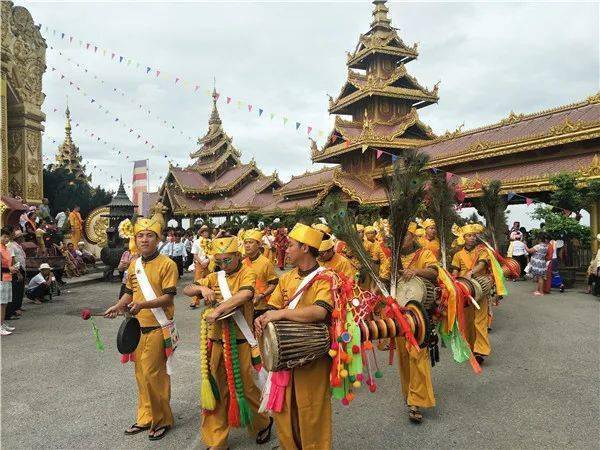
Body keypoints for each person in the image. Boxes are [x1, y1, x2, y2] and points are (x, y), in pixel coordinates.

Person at [182, 236, 272, 449]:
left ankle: (263, 422)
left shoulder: (247, 272)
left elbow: (246, 294)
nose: (223, 265)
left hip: (241, 341)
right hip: (216, 341)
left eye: (228, 260)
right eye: (219, 261)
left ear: (238, 256)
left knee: (247, 388)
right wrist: (202, 290)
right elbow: (187, 289)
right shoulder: (215, 276)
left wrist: (220, 309)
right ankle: (217, 439)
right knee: (216, 388)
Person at [255, 223, 334, 450]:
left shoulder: (326, 278)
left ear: (306, 248)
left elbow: (320, 312)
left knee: (311, 411)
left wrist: (279, 314)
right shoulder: (286, 278)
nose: (285, 249)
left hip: (313, 357)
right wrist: (262, 320)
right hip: (284, 356)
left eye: (290, 245)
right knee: (284, 410)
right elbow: (271, 308)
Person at [104, 217, 178, 441]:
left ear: (158, 238)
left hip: (158, 327)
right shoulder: (134, 264)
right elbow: (130, 291)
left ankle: (163, 419)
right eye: (140, 235)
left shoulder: (168, 264)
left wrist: (143, 305)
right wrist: (118, 306)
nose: (144, 239)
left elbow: (168, 298)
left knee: (154, 375)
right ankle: (146, 416)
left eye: (149, 235)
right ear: (135, 239)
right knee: (141, 375)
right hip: (137, 328)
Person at [396, 223, 439, 423]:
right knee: (404, 357)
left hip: (419, 314)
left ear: (412, 236)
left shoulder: (424, 253)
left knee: (417, 355)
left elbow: (434, 273)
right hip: (398, 313)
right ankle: (409, 394)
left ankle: (416, 400)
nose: (400, 238)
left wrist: (416, 272)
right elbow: (384, 278)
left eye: (404, 235)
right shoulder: (393, 256)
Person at [451, 223, 491, 364]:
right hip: (463, 288)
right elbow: (455, 270)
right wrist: (453, 281)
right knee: (467, 320)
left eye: (474, 235)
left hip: (480, 286)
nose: (472, 238)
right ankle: (470, 347)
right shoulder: (457, 254)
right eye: (469, 235)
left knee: (480, 320)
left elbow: (482, 264)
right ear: (464, 237)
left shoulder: (482, 251)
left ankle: (480, 351)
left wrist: (471, 272)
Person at [243, 229, 279, 319]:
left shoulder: (266, 262)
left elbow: (274, 284)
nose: (247, 245)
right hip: (245, 306)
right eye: (245, 243)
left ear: (258, 244)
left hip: (262, 306)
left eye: (250, 242)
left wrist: (261, 296)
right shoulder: (243, 263)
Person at [1, 227, 17, 335]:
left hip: (8, 277)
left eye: (8, 237)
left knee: (5, 302)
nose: (7, 239)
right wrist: (9, 269)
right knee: (1, 303)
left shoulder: (6, 248)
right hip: (1, 278)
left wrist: (12, 269)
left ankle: (2, 323)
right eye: (4, 236)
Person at [7, 230, 26, 320]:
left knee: (20, 288)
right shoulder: (12, 245)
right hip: (16, 268)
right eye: (21, 237)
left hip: (21, 267)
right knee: (16, 289)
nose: (23, 238)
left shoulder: (19, 245)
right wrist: (17, 272)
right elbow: (12, 258)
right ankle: (15, 308)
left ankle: (18, 306)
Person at [527, 232, 550, 296]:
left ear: (539, 239)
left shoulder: (538, 246)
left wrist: (525, 245)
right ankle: (538, 290)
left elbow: (529, 251)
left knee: (540, 278)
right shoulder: (546, 246)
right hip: (542, 263)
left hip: (538, 264)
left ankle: (541, 292)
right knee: (540, 277)